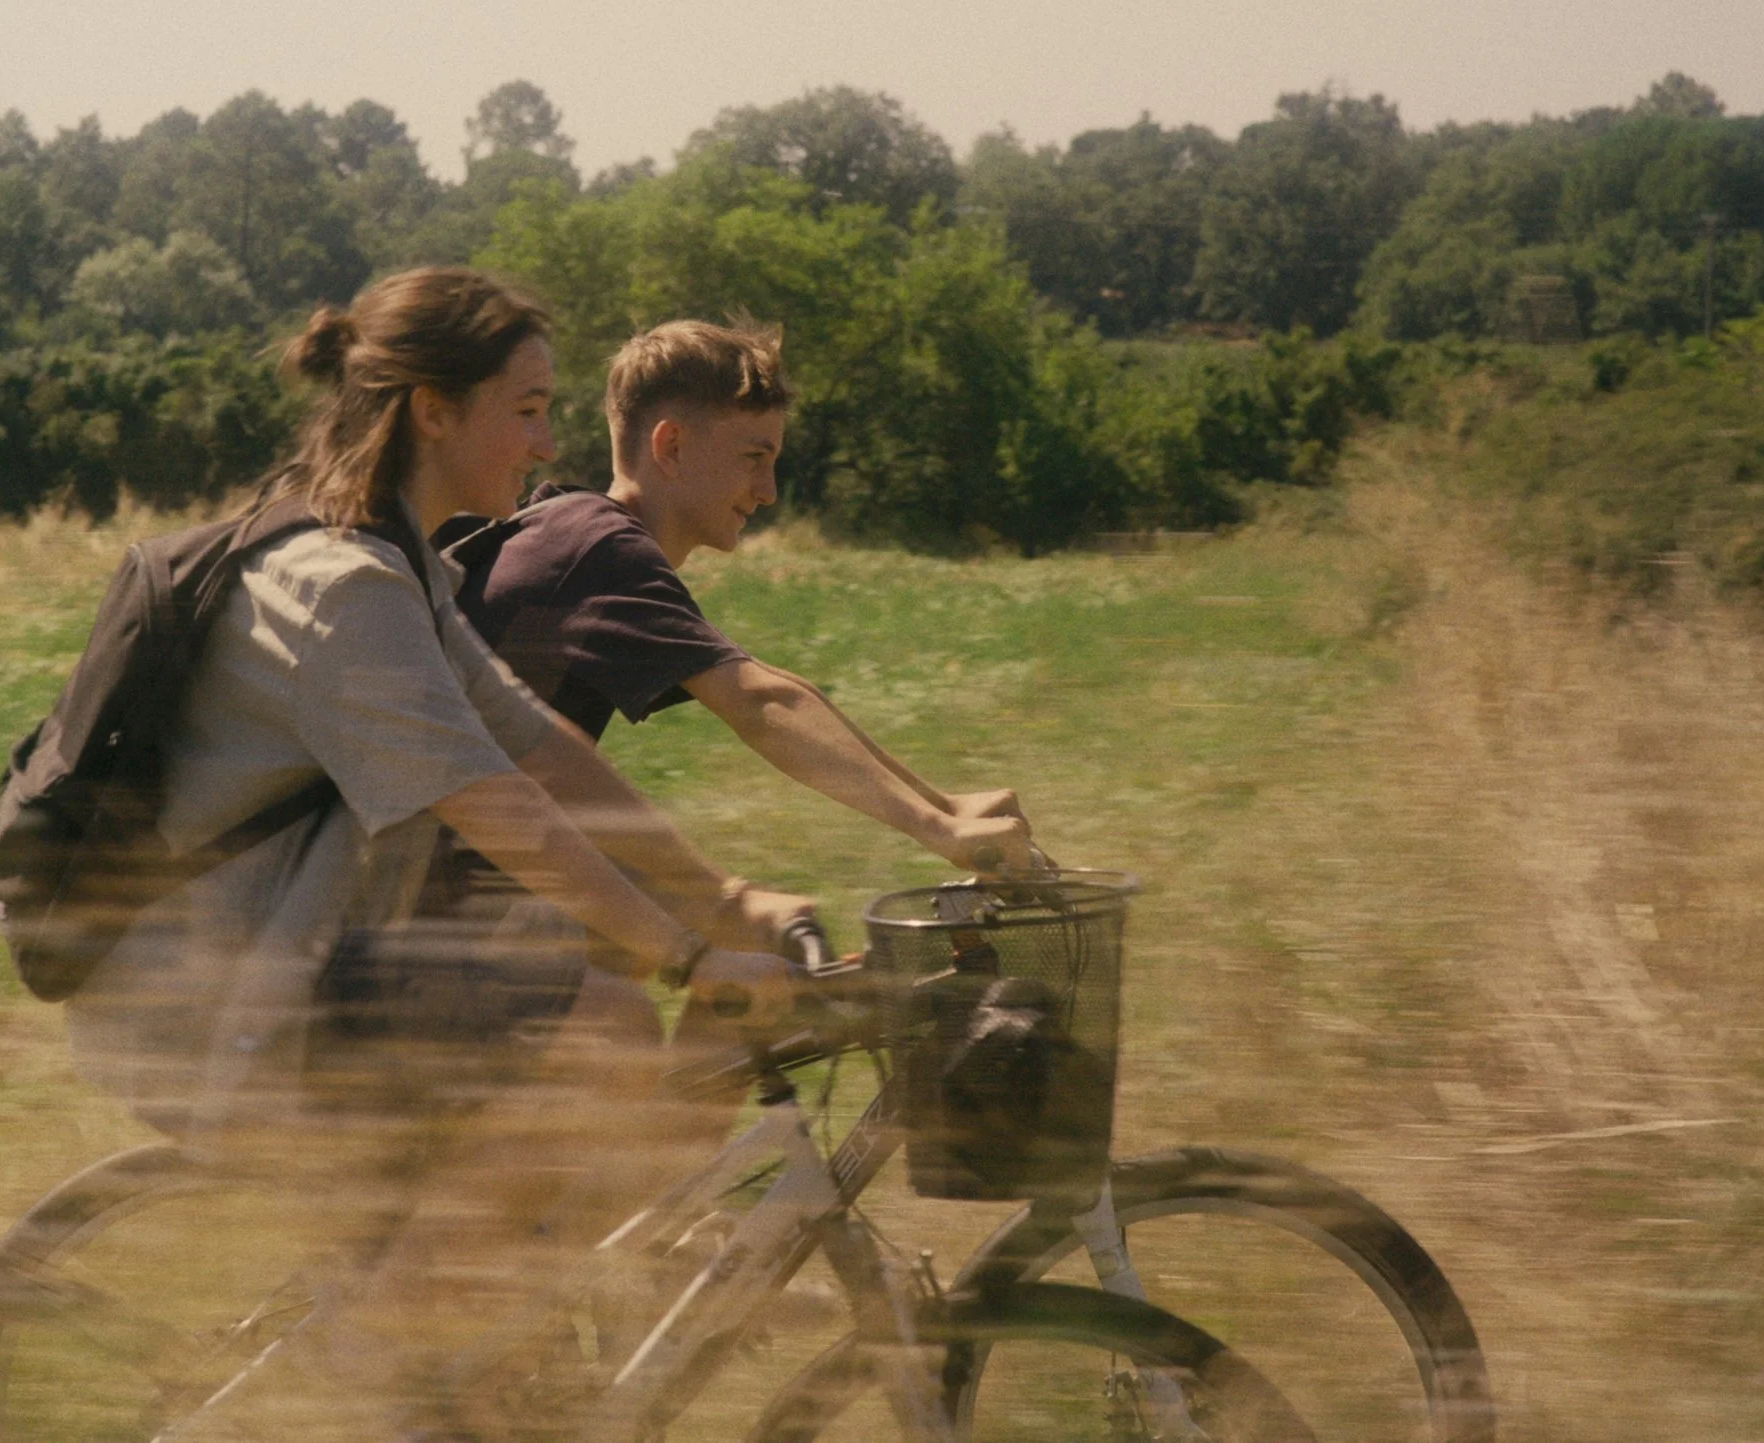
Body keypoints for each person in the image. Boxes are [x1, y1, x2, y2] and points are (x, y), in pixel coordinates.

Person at [63, 267, 801, 1439]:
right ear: (432, 411)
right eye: (524, 409)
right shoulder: (341, 585)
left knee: (586, 1032)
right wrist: (683, 952)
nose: (546, 440)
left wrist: (723, 895)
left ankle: (467, 1351)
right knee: (603, 1028)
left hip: (307, 957)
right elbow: (494, 803)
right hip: (222, 993)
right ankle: (369, 1365)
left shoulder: (397, 561)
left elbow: (533, 742)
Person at [443, 316, 1035, 900]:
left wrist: (946, 805)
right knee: (704, 941)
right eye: (754, 456)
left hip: (459, 859)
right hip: (421, 886)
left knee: (675, 925)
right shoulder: (600, 550)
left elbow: (772, 685)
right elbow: (757, 701)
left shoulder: (572, 528)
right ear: (670, 446)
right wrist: (943, 829)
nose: (769, 490)